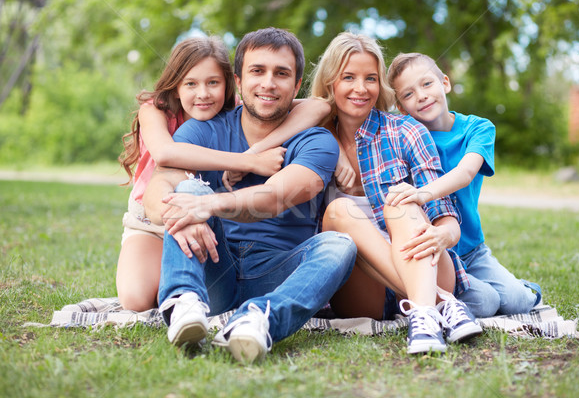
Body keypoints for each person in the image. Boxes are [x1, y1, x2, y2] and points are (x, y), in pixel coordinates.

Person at [143, 27, 357, 363]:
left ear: (296, 85)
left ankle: (258, 319)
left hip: (277, 273)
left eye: (281, 74)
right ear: (238, 82)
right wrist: (183, 209)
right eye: (257, 71)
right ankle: (184, 303)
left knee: (340, 245)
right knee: (184, 190)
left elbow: (275, 196)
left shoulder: (316, 141)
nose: (268, 83)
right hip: (215, 264)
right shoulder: (203, 129)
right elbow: (158, 188)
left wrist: (207, 204)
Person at [115, 36, 330, 311]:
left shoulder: (245, 104)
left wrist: (258, 149)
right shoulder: (156, 111)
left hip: (198, 208)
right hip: (152, 214)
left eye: (213, 83)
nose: (203, 93)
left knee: (193, 197)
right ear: (176, 85)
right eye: (191, 83)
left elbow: (320, 106)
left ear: (230, 84)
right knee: (135, 300)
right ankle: (180, 297)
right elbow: (166, 155)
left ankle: (183, 291)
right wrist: (248, 161)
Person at [310, 32, 481, 354]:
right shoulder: (313, 138)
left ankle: (425, 309)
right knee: (339, 212)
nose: (361, 88)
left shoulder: (406, 130)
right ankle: (440, 306)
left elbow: (447, 219)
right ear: (330, 82)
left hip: (428, 265)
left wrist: (443, 236)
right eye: (349, 77)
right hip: (363, 294)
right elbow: (281, 106)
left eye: (370, 78)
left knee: (399, 202)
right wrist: (329, 143)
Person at [386, 52, 542, 318]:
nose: (421, 96)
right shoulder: (405, 139)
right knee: (486, 303)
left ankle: (521, 287)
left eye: (427, 84)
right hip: (436, 254)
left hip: (472, 249)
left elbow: (466, 172)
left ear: (444, 83)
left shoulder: (478, 128)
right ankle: (431, 299)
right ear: (401, 108)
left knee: (518, 302)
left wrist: (422, 193)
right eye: (408, 94)